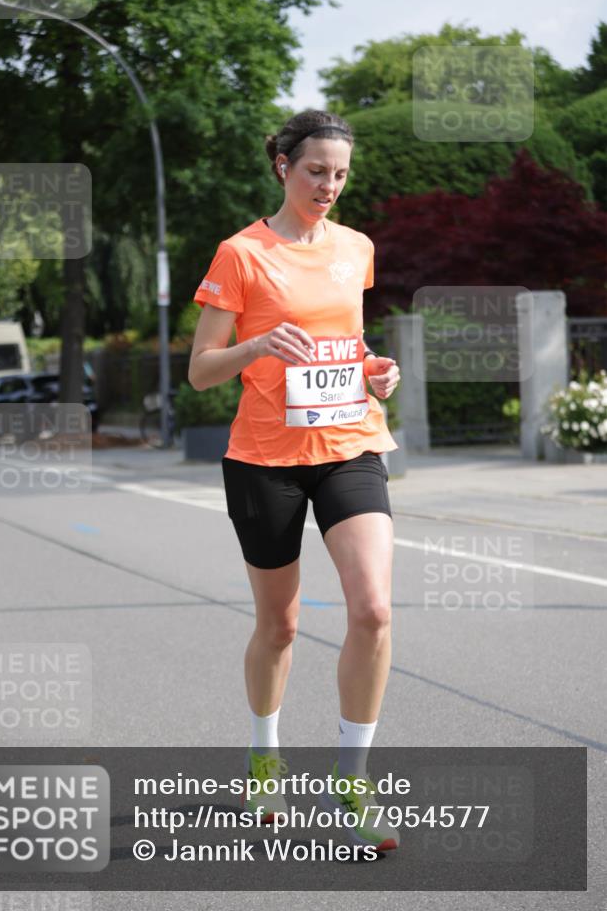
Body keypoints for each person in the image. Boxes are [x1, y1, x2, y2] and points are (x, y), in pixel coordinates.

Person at [189, 109, 401, 851]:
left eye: (340, 175)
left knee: (372, 610)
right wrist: (255, 343)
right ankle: (264, 758)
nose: (328, 186)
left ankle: (352, 781)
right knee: (280, 624)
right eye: (316, 171)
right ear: (282, 165)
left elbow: (350, 337)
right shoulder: (239, 254)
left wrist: (375, 372)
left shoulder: (356, 249)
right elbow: (201, 370)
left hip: (349, 445)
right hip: (264, 459)